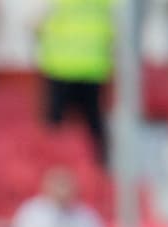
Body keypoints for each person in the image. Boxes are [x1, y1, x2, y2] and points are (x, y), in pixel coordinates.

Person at [36, 0, 115, 166]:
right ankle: (100, 166)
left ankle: (52, 166)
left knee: (56, 126)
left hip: (62, 64)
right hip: (91, 63)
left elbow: (39, 22)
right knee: (93, 124)